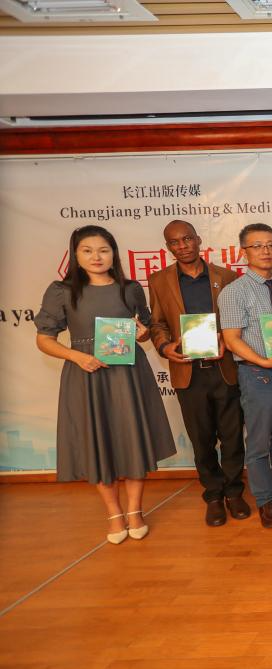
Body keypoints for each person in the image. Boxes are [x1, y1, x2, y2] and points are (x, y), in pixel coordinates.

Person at [35, 225, 176, 543]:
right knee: (97, 442)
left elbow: (145, 329)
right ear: (76, 255)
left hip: (128, 374)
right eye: (87, 250)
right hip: (87, 375)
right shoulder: (62, 291)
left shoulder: (131, 288)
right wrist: (76, 356)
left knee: (133, 439)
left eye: (103, 250)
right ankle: (114, 514)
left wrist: (143, 334)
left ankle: (135, 511)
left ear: (114, 253)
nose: (96, 257)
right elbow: (44, 339)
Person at [149, 220, 249, 527]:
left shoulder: (226, 277)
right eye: (174, 242)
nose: (182, 246)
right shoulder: (159, 280)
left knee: (232, 437)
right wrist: (164, 346)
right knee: (201, 439)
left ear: (198, 240)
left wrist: (227, 340)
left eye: (187, 239)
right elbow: (157, 323)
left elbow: (239, 318)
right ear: (168, 247)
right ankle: (214, 495)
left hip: (224, 368)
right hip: (187, 372)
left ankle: (234, 492)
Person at [218, 223, 272, 529]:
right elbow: (232, 340)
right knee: (258, 443)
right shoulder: (234, 292)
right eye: (257, 246)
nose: (266, 251)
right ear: (244, 252)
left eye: (271, 245)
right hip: (258, 375)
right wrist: (264, 362)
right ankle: (266, 500)